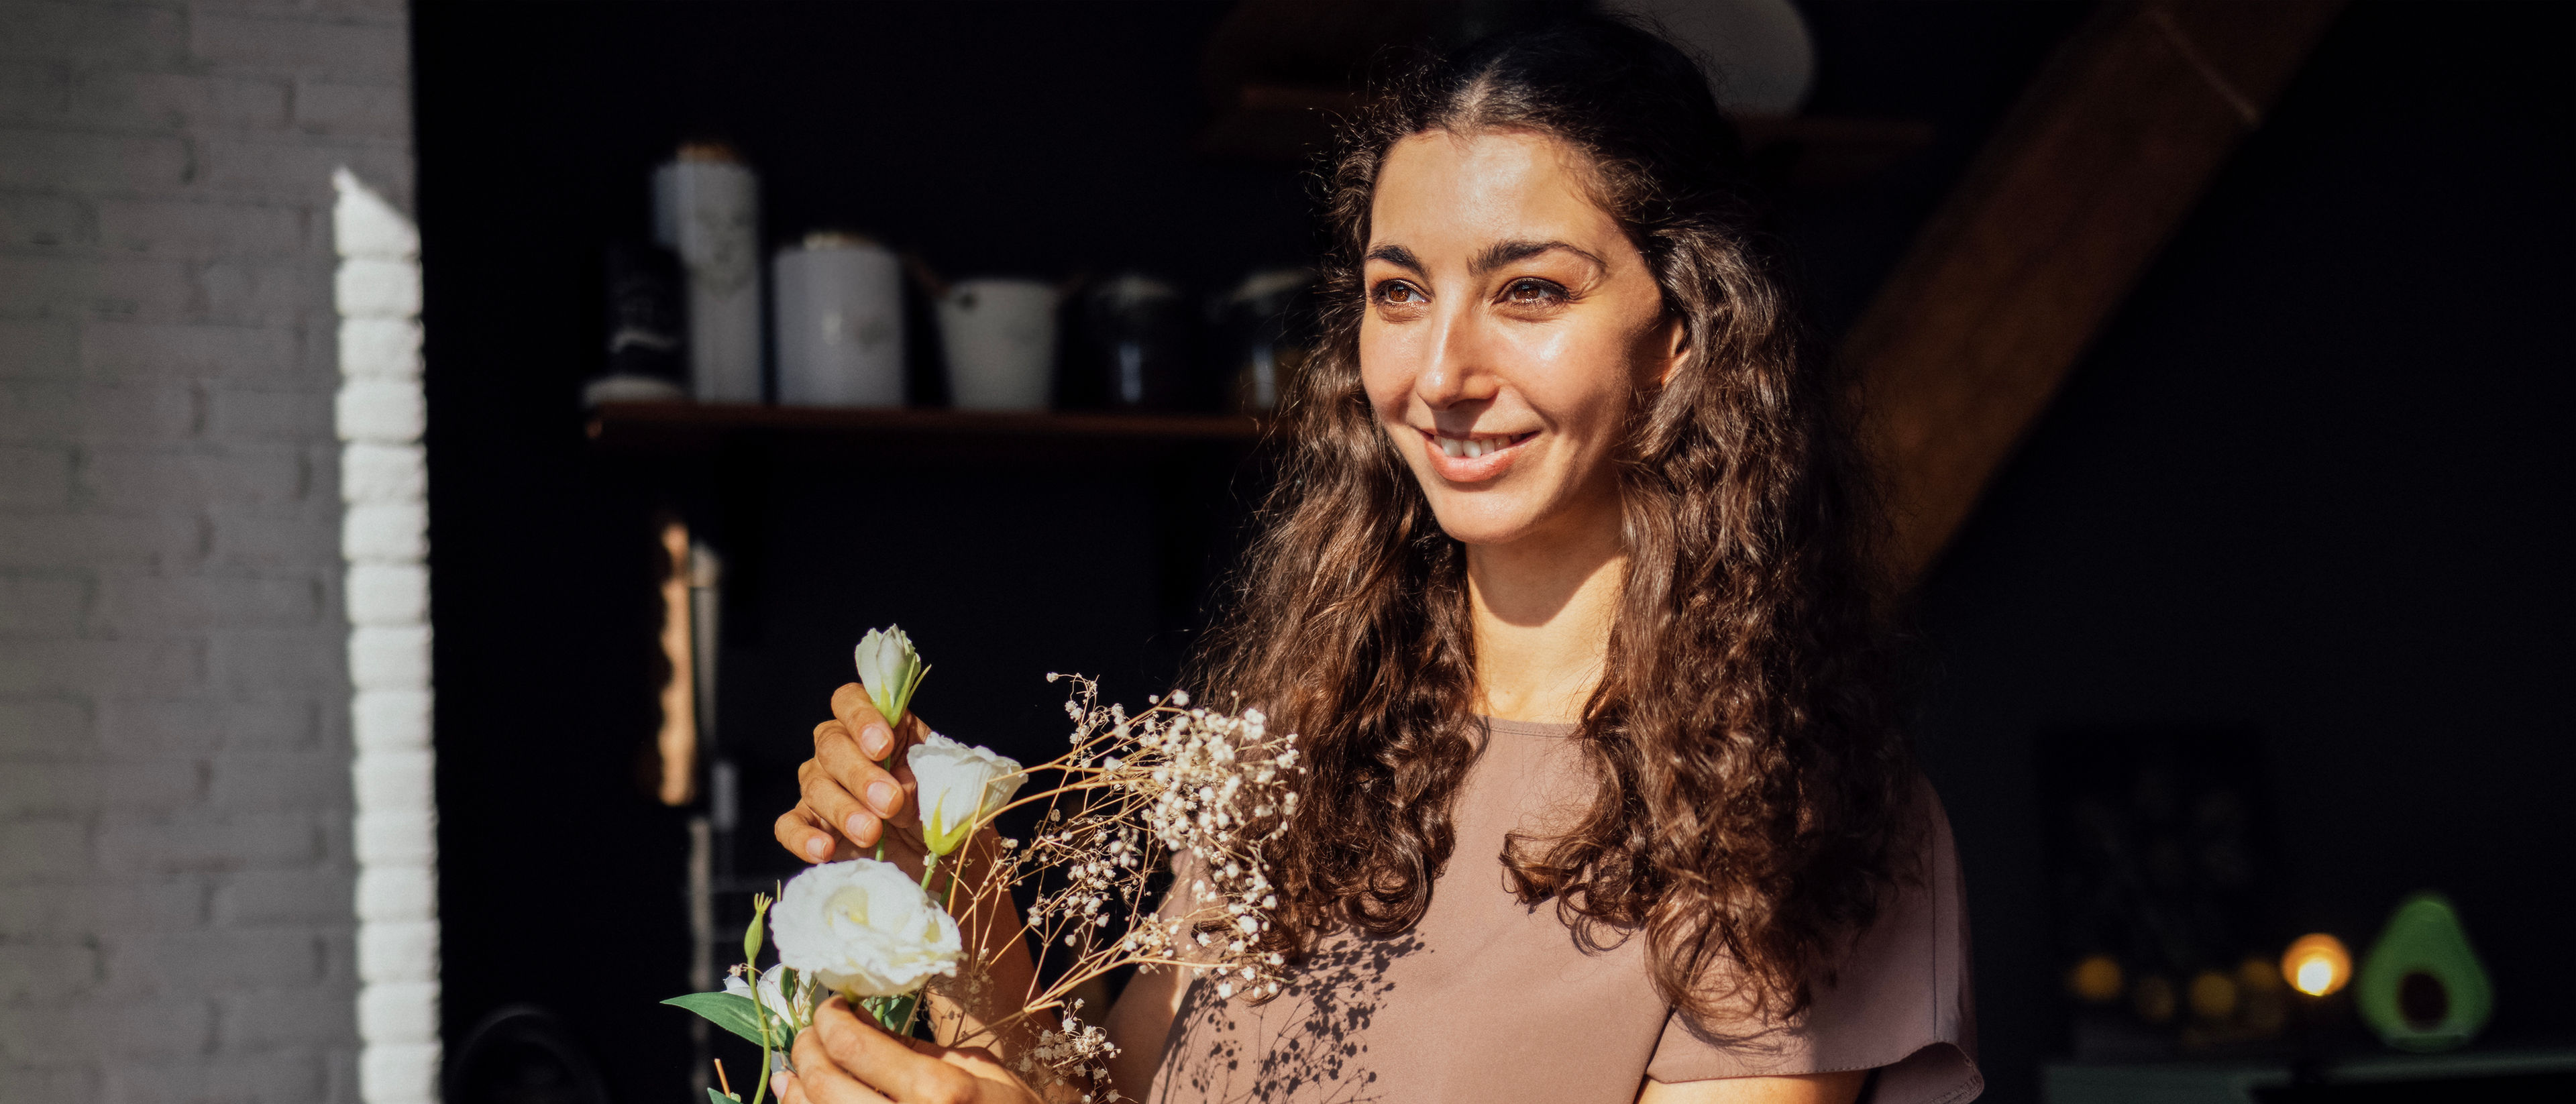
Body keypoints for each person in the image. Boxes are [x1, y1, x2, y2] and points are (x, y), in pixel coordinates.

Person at [768, 14, 1976, 1104]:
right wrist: (947, 892)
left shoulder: (1785, 815)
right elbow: (1105, 1096)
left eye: (1531, 290)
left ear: (1679, 333)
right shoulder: (1306, 734)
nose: (1440, 372)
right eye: (1400, 290)